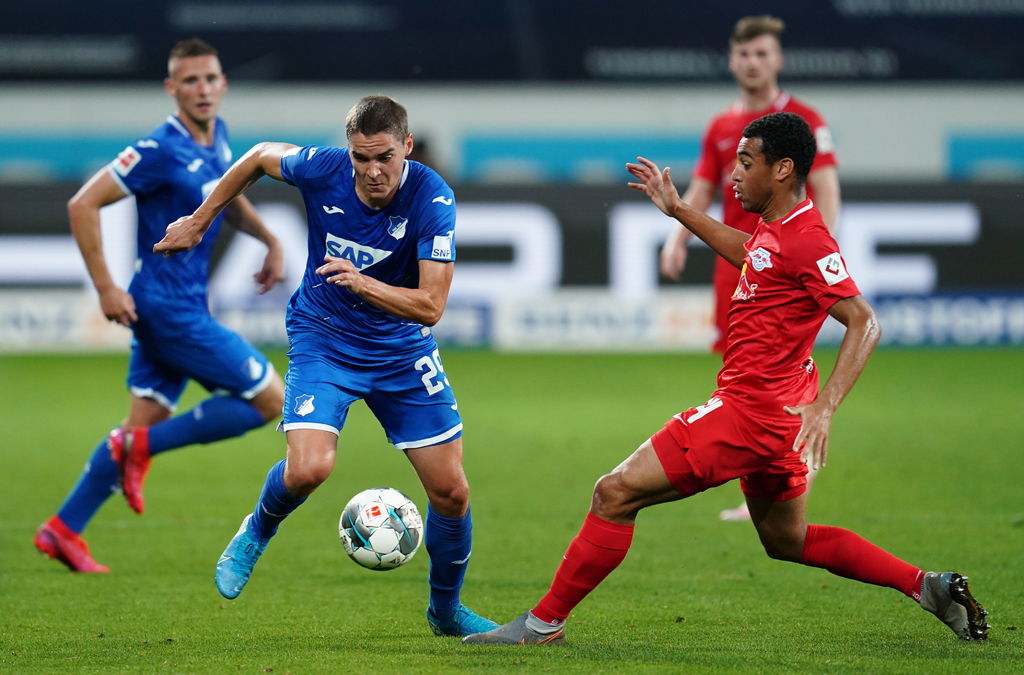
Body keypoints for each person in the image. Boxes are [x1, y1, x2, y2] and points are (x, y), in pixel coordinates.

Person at [462, 112, 989, 646]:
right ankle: (927, 587)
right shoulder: (777, 230)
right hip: (781, 416)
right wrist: (679, 210)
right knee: (787, 540)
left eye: (745, 162)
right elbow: (752, 255)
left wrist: (827, 406)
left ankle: (541, 624)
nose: (732, 174)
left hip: (751, 415)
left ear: (783, 169)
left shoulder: (808, 238)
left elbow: (864, 320)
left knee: (613, 493)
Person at [153, 95, 498, 638]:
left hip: (401, 349)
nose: (373, 171)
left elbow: (431, 306)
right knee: (309, 469)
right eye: (362, 158)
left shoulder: (433, 198)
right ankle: (255, 532)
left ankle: (446, 611)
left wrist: (361, 281)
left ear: (406, 146)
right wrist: (199, 221)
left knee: (451, 491)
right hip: (325, 338)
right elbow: (260, 156)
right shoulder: (323, 169)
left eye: (384, 156)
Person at [33, 38, 286, 574]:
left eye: (211, 78)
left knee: (139, 421)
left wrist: (269, 239)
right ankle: (140, 447)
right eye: (190, 81)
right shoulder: (158, 149)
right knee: (270, 399)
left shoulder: (218, 138)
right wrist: (105, 286)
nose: (203, 89)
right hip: (168, 309)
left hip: (181, 305)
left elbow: (225, 194)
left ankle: (62, 529)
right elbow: (83, 204)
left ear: (224, 84)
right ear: (172, 89)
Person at [660, 15, 841, 521]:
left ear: (777, 60)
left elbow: (826, 190)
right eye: (745, 54)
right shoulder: (721, 126)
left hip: (788, 266)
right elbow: (702, 187)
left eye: (762, 54)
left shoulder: (804, 122)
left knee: (786, 364)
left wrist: (815, 253)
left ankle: (791, 465)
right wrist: (676, 236)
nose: (753, 63)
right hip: (736, 261)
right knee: (741, 369)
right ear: (732, 60)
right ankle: (763, 480)